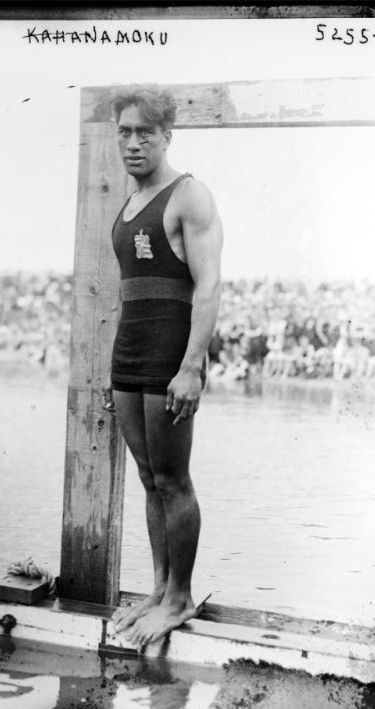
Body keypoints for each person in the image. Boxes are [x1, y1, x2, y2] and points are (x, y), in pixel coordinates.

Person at [101, 86, 223, 649]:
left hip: (171, 358)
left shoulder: (188, 194)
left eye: (145, 132)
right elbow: (132, 293)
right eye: (124, 131)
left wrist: (192, 367)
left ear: (167, 135)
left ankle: (179, 597)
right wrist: (115, 371)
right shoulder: (125, 206)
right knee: (151, 482)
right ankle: (157, 589)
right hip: (129, 357)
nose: (133, 142)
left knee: (173, 480)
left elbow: (208, 286)